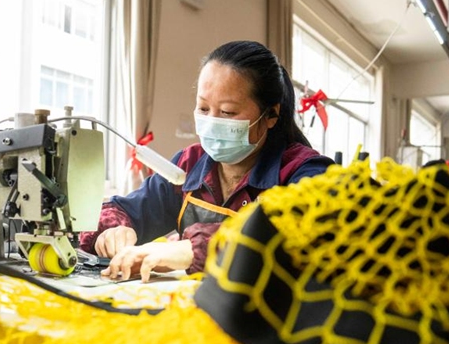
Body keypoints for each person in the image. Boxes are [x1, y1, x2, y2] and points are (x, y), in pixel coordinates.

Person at [79, 40, 333, 282]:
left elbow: (295, 234)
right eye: (203, 109)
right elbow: (125, 208)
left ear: (271, 115)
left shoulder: (307, 173)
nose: (212, 121)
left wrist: (191, 250)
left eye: (227, 112)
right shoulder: (189, 165)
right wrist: (116, 230)